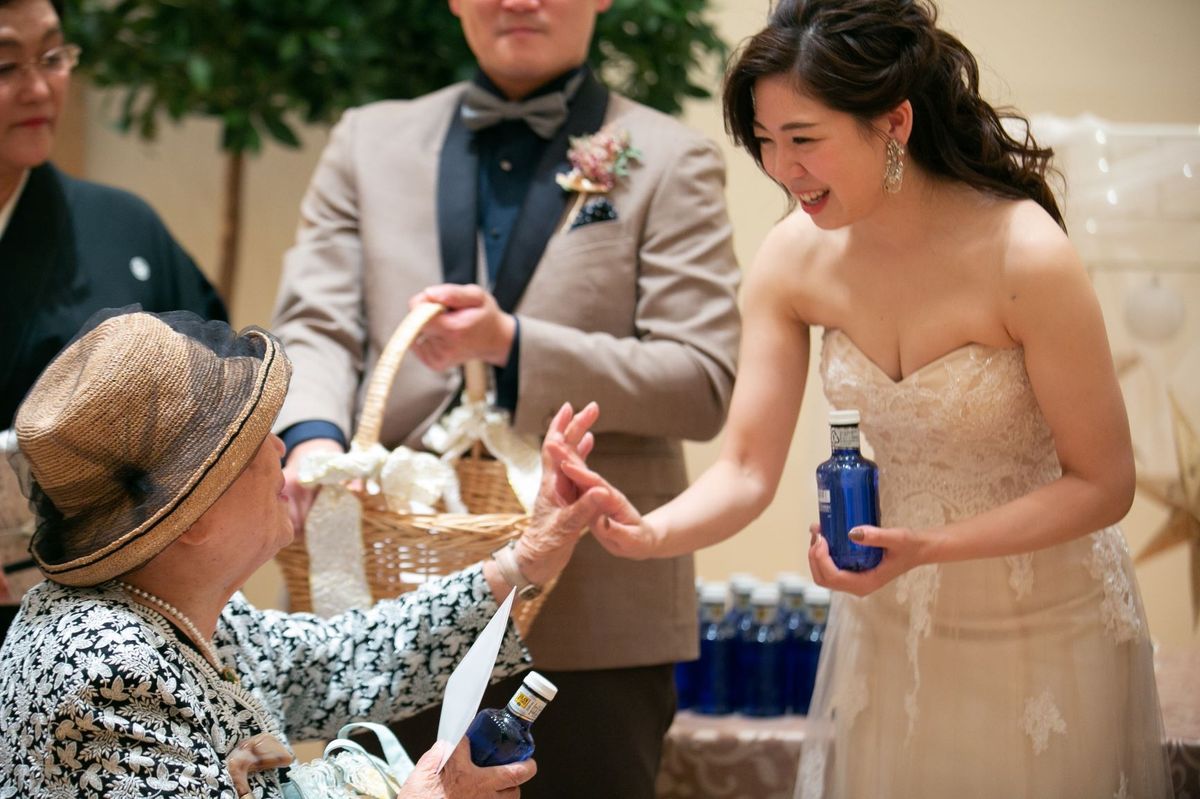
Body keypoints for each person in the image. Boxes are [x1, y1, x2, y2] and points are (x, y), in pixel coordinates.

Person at [557, 0, 1173, 796]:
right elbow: (745, 466)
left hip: (1049, 624)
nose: (783, 169)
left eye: (804, 139)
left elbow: (1104, 482)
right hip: (889, 623)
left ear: (894, 122)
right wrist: (650, 531)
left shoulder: (1025, 253)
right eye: (766, 142)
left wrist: (930, 546)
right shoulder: (793, 259)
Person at [271, 0, 741, 794]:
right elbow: (313, 324)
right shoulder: (365, 141)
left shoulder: (670, 156)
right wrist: (315, 440)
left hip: (593, 619)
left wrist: (512, 346)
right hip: (395, 609)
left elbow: (701, 380)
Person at [0, 308, 611, 798]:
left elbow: (337, 661)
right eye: (248, 444)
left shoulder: (170, 603)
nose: (278, 448)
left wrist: (527, 558)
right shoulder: (104, 673)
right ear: (190, 516)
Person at [0, 0, 225, 619]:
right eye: (4, 66)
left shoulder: (122, 228)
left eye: (52, 57)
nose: (39, 89)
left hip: (105, 626)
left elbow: (216, 402)